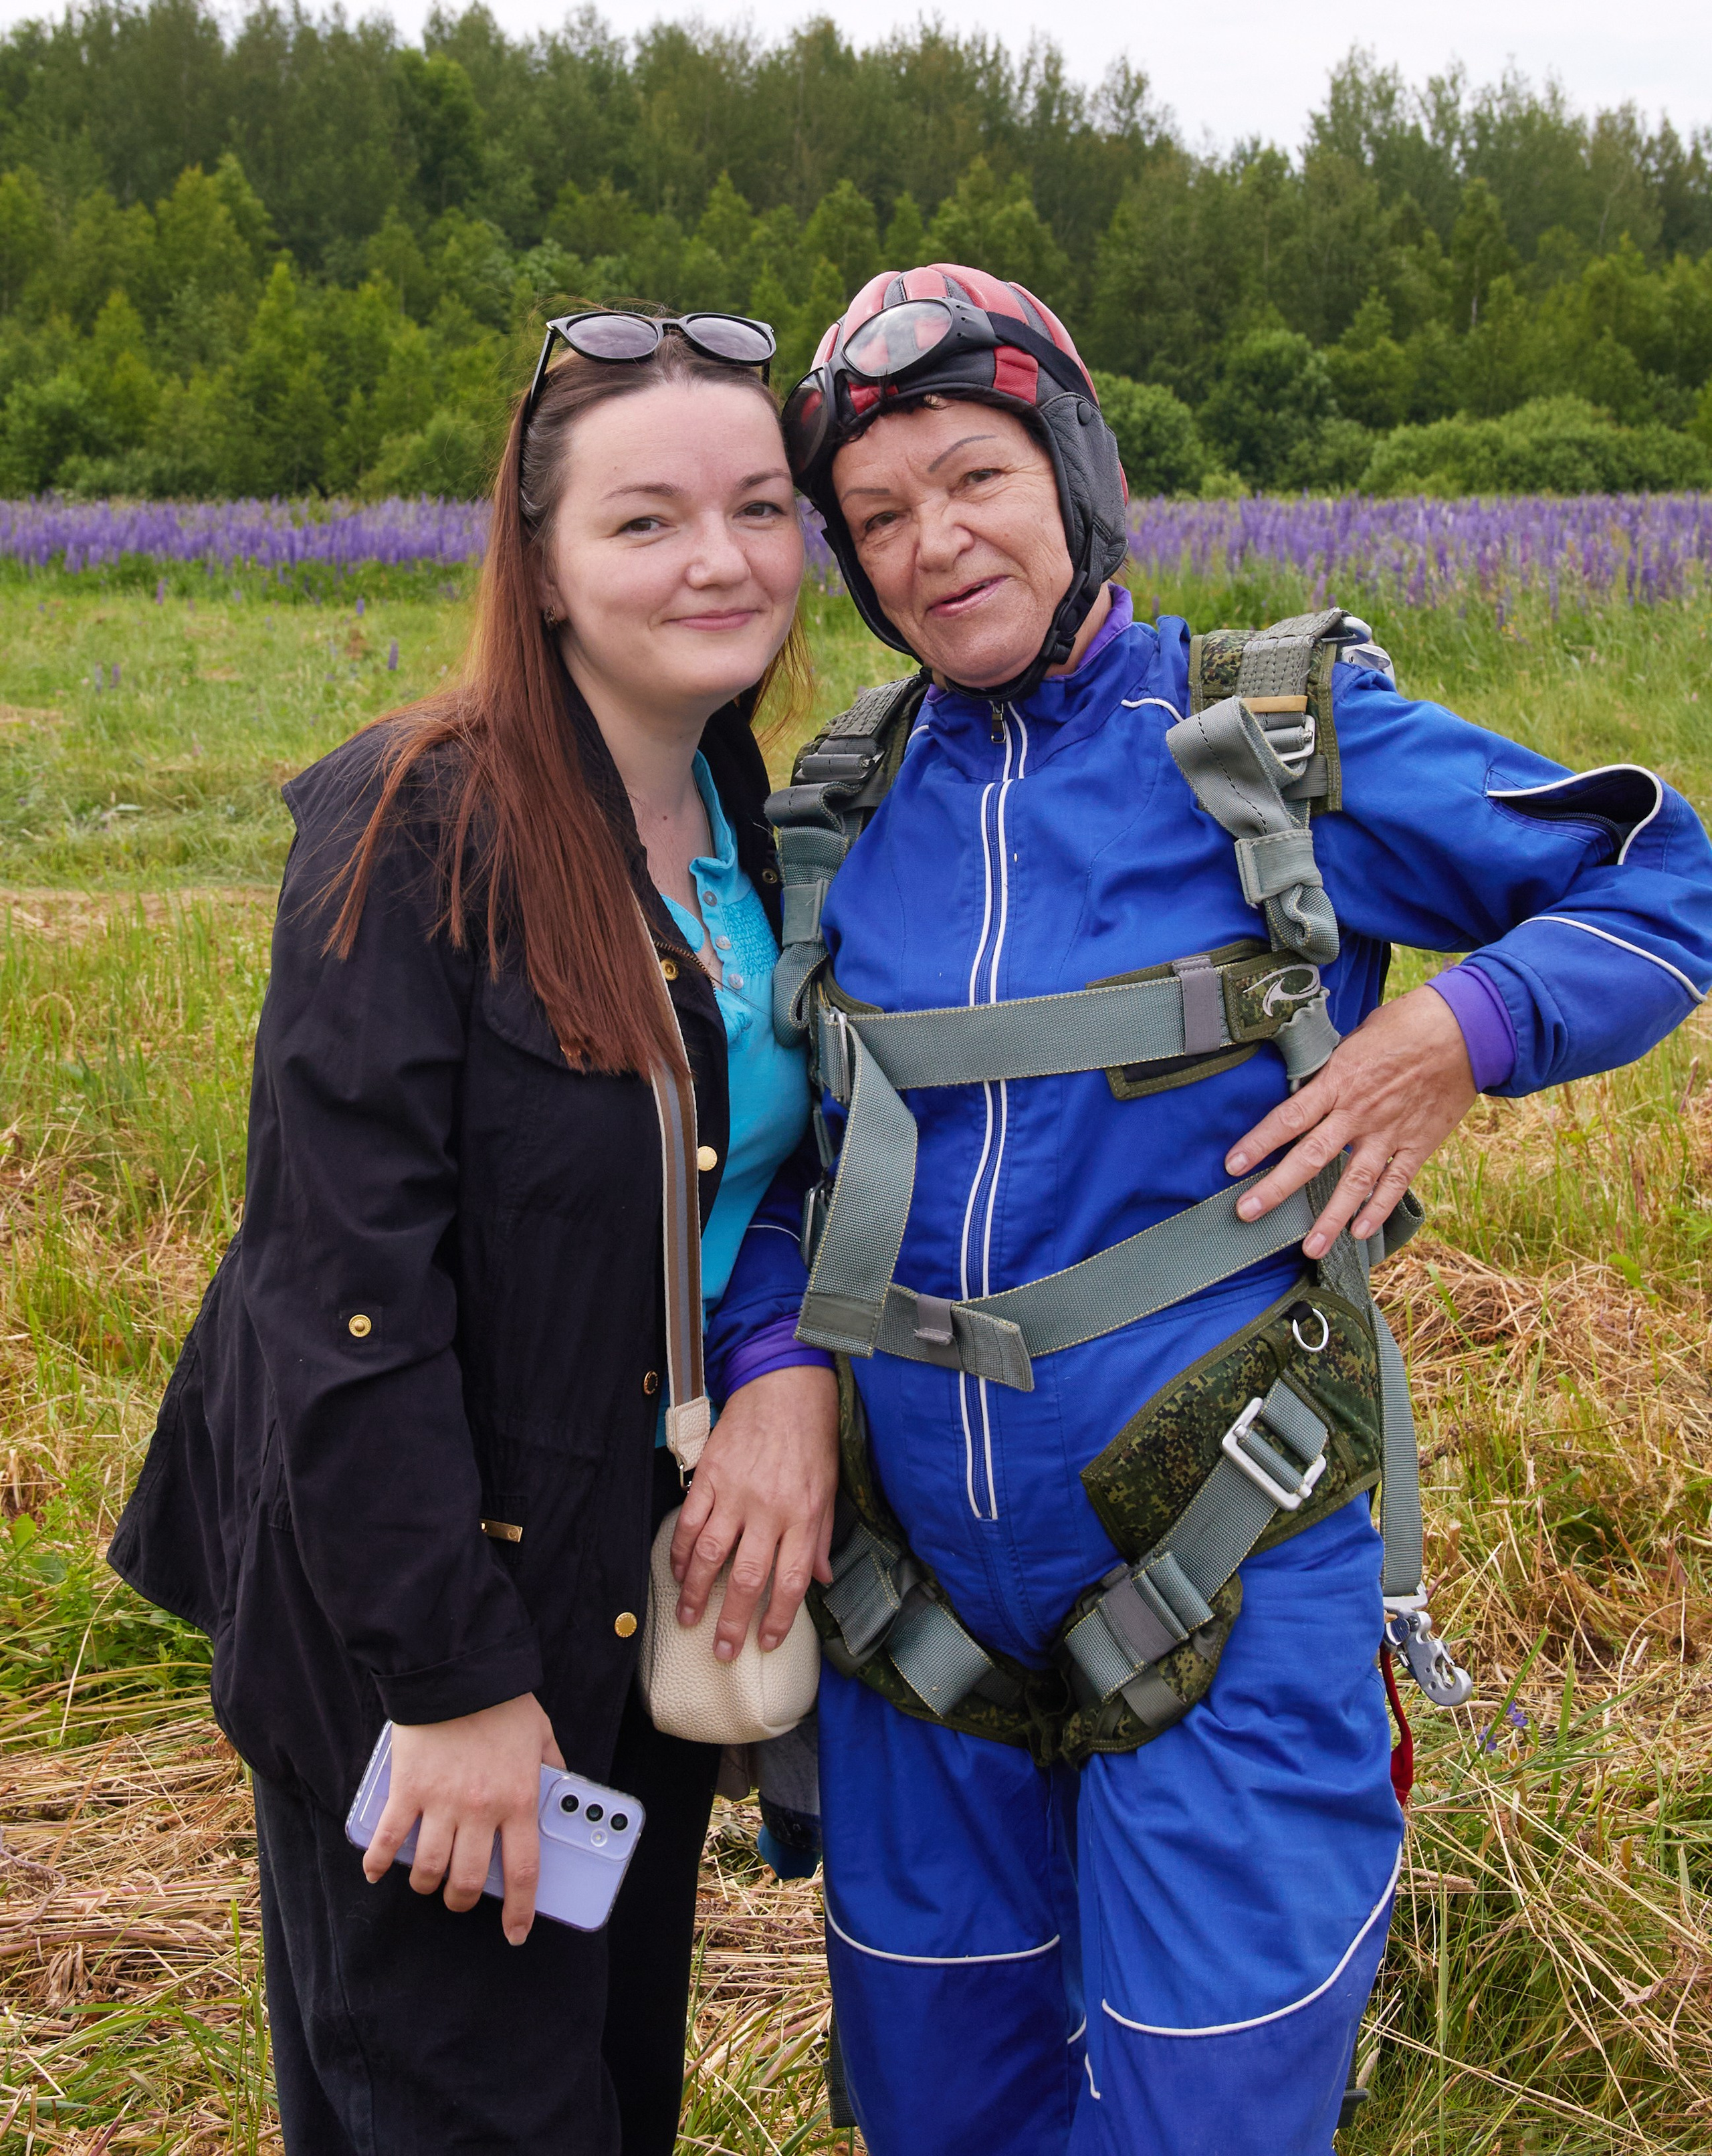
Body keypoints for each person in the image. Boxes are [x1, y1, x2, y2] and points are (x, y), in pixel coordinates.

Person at [706, 262, 1712, 2156]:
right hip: (910, 1629)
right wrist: (770, 1362)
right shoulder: (838, 815)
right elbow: (772, 1167)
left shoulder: (1272, 745)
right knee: (936, 2117)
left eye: (978, 478)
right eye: (880, 515)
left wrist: (1457, 1032)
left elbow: (1668, 879)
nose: (937, 544)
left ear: (1078, 476)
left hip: (1225, 1570)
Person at [110, 310, 840, 2156]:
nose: (721, 559)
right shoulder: (420, 816)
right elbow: (336, 1294)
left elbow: (749, 1177)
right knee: (463, 2107)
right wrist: (448, 1690)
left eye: (759, 508)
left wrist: (787, 1372)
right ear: (543, 560)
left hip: (624, 1585)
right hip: (427, 1608)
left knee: (605, 2090)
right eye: (646, 520)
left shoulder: (738, 809)